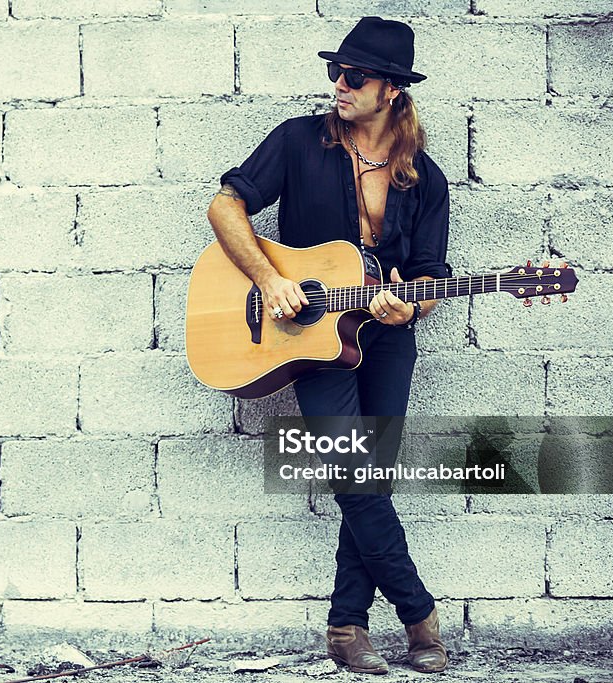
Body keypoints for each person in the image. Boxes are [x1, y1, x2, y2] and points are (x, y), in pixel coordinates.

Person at [205, 16, 450, 675]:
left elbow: (432, 272)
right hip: (310, 337)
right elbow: (226, 206)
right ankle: (419, 616)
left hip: (387, 342)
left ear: (393, 89)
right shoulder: (297, 141)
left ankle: (345, 629)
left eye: (355, 76)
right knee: (355, 475)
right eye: (335, 72)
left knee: (366, 478)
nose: (339, 85)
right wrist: (269, 279)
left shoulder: (425, 177)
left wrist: (413, 302)